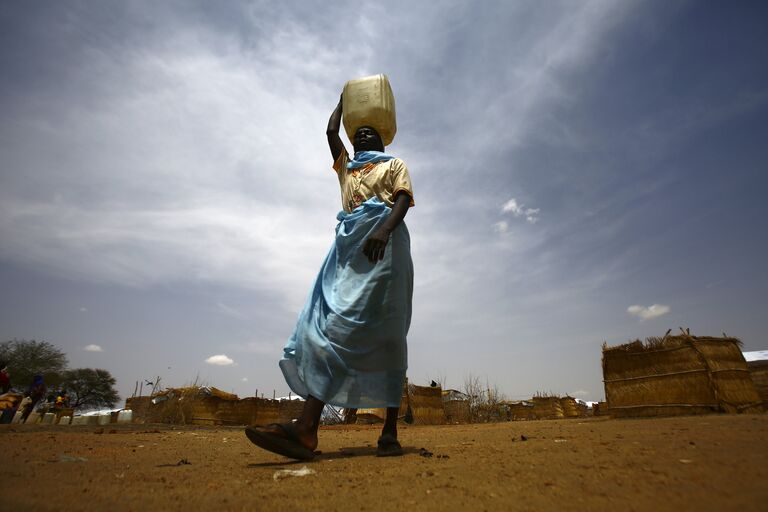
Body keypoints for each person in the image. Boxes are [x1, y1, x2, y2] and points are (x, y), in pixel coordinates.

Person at [246, 92, 414, 460]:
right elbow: (330, 131)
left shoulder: (394, 164)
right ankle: (307, 429)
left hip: (385, 248)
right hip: (349, 250)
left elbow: (402, 199)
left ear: (385, 140)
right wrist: (345, 103)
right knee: (331, 326)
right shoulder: (348, 170)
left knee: (387, 334)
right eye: (359, 133)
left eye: (371, 132)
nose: (364, 136)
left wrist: (384, 230)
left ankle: (389, 431)